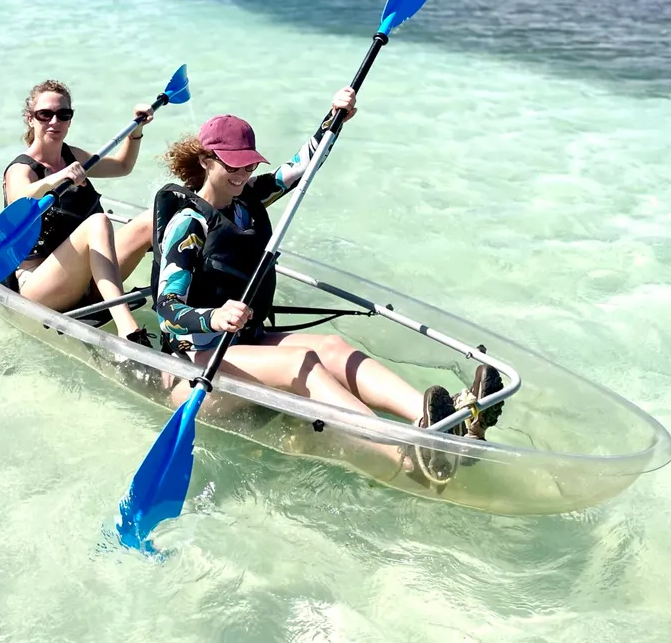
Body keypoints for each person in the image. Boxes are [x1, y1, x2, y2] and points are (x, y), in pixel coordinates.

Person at [151, 90, 505, 486]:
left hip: (244, 344)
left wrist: (335, 117)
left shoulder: (245, 201)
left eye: (249, 164)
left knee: (332, 347)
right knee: (300, 364)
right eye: (232, 164)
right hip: (194, 366)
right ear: (206, 160)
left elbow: (301, 167)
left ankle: (439, 423)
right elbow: (167, 308)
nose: (242, 174)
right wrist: (214, 317)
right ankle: (401, 453)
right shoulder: (189, 224)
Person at [3, 79, 154, 345]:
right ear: (30, 119)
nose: (55, 121)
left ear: (70, 119)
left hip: (87, 278)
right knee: (98, 222)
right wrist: (57, 178)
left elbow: (122, 166)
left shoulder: (72, 155)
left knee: (153, 218)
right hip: (40, 287)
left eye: (63, 114)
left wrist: (137, 130)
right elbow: (19, 198)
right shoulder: (21, 169)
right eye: (45, 114)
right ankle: (128, 330)